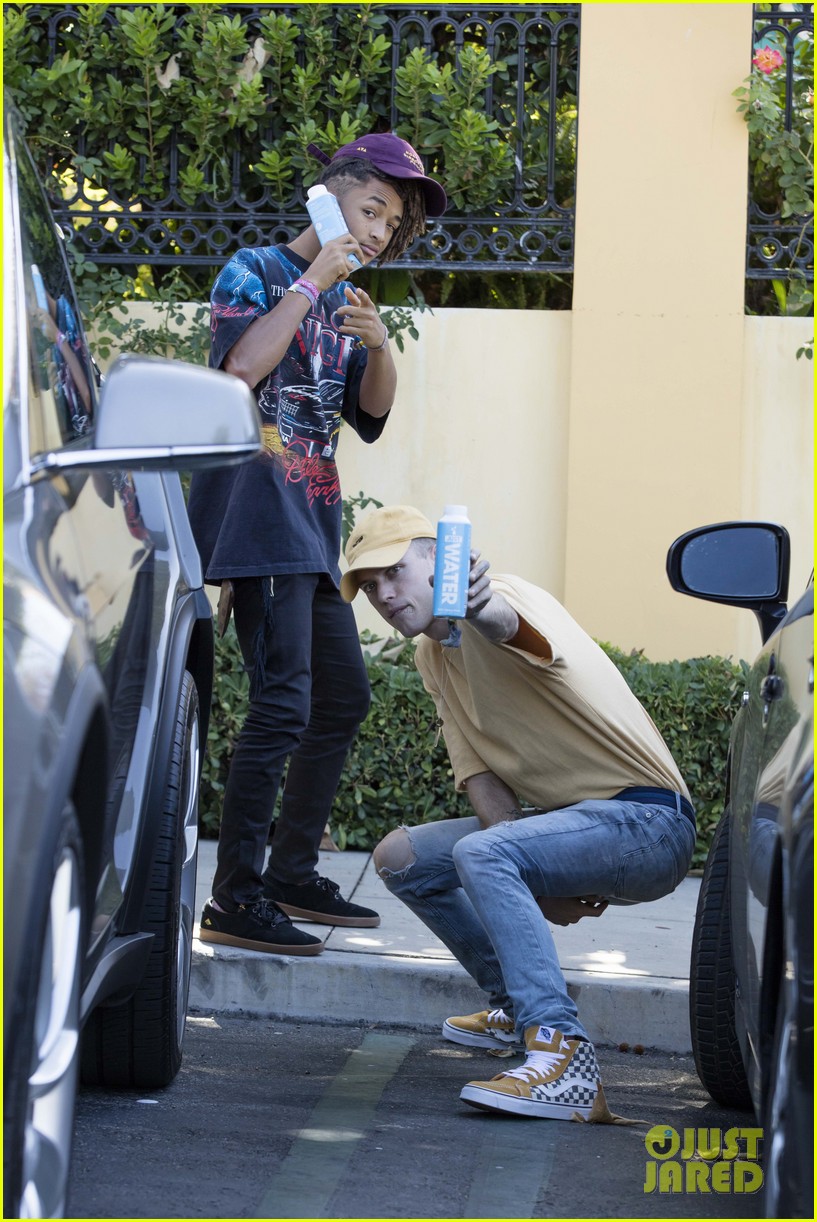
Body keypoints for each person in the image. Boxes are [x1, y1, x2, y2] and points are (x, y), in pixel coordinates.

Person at [340, 505, 696, 1118]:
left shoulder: (504, 597)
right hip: (579, 825)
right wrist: (531, 875)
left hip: (649, 823)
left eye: (395, 571)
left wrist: (477, 605)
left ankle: (564, 1056)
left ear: (439, 559)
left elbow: (513, 630)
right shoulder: (432, 657)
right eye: (370, 587)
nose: (385, 594)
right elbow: (480, 773)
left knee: (484, 850)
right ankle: (516, 1006)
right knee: (401, 858)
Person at [189, 138, 447, 956]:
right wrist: (308, 284)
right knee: (283, 704)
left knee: (339, 698)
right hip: (255, 521)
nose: (377, 232)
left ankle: (289, 873)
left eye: (390, 222)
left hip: (310, 526)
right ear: (325, 195)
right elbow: (237, 371)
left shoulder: (346, 297)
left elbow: (368, 416)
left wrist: (376, 342)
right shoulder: (255, 270)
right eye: (370, 210)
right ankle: (233, 896)